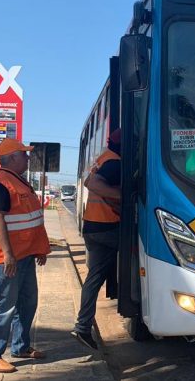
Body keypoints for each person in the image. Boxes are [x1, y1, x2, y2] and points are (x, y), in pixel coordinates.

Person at [0, 138, 51, 373]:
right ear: (12, 158)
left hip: (25, 255)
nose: (28, 158)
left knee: (27, 302)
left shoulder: (18, 181)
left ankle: (21, 346)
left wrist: (39, 248)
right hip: (7, 259)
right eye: (24, 154)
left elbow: (30, 219)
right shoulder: (1, 183)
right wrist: (8, 254)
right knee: (3, 306)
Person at [71, 128, 121, 350]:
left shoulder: (104, 158)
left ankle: (82, 327)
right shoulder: (114, 163)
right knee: (147, 250)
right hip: (107, 228)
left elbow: (88, 182)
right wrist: (124, 196)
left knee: (94, 278)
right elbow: (92, 184)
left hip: (93, 226)